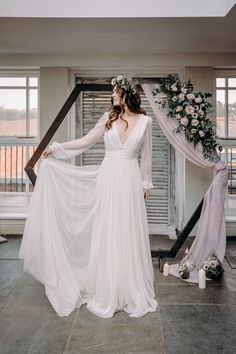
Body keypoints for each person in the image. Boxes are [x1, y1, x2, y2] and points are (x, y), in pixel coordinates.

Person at [19, 74, 158, 318]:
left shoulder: (145, 122)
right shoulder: (108, 118)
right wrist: (57, 148)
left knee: (127, 230)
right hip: (109, 177)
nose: (111, 95)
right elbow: (85, 141)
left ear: (125, 94)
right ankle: (108, 287)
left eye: (114, 91)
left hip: (130, 178)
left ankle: (128, 287)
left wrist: (146, 183)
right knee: (108, 229)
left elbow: (147, 155)